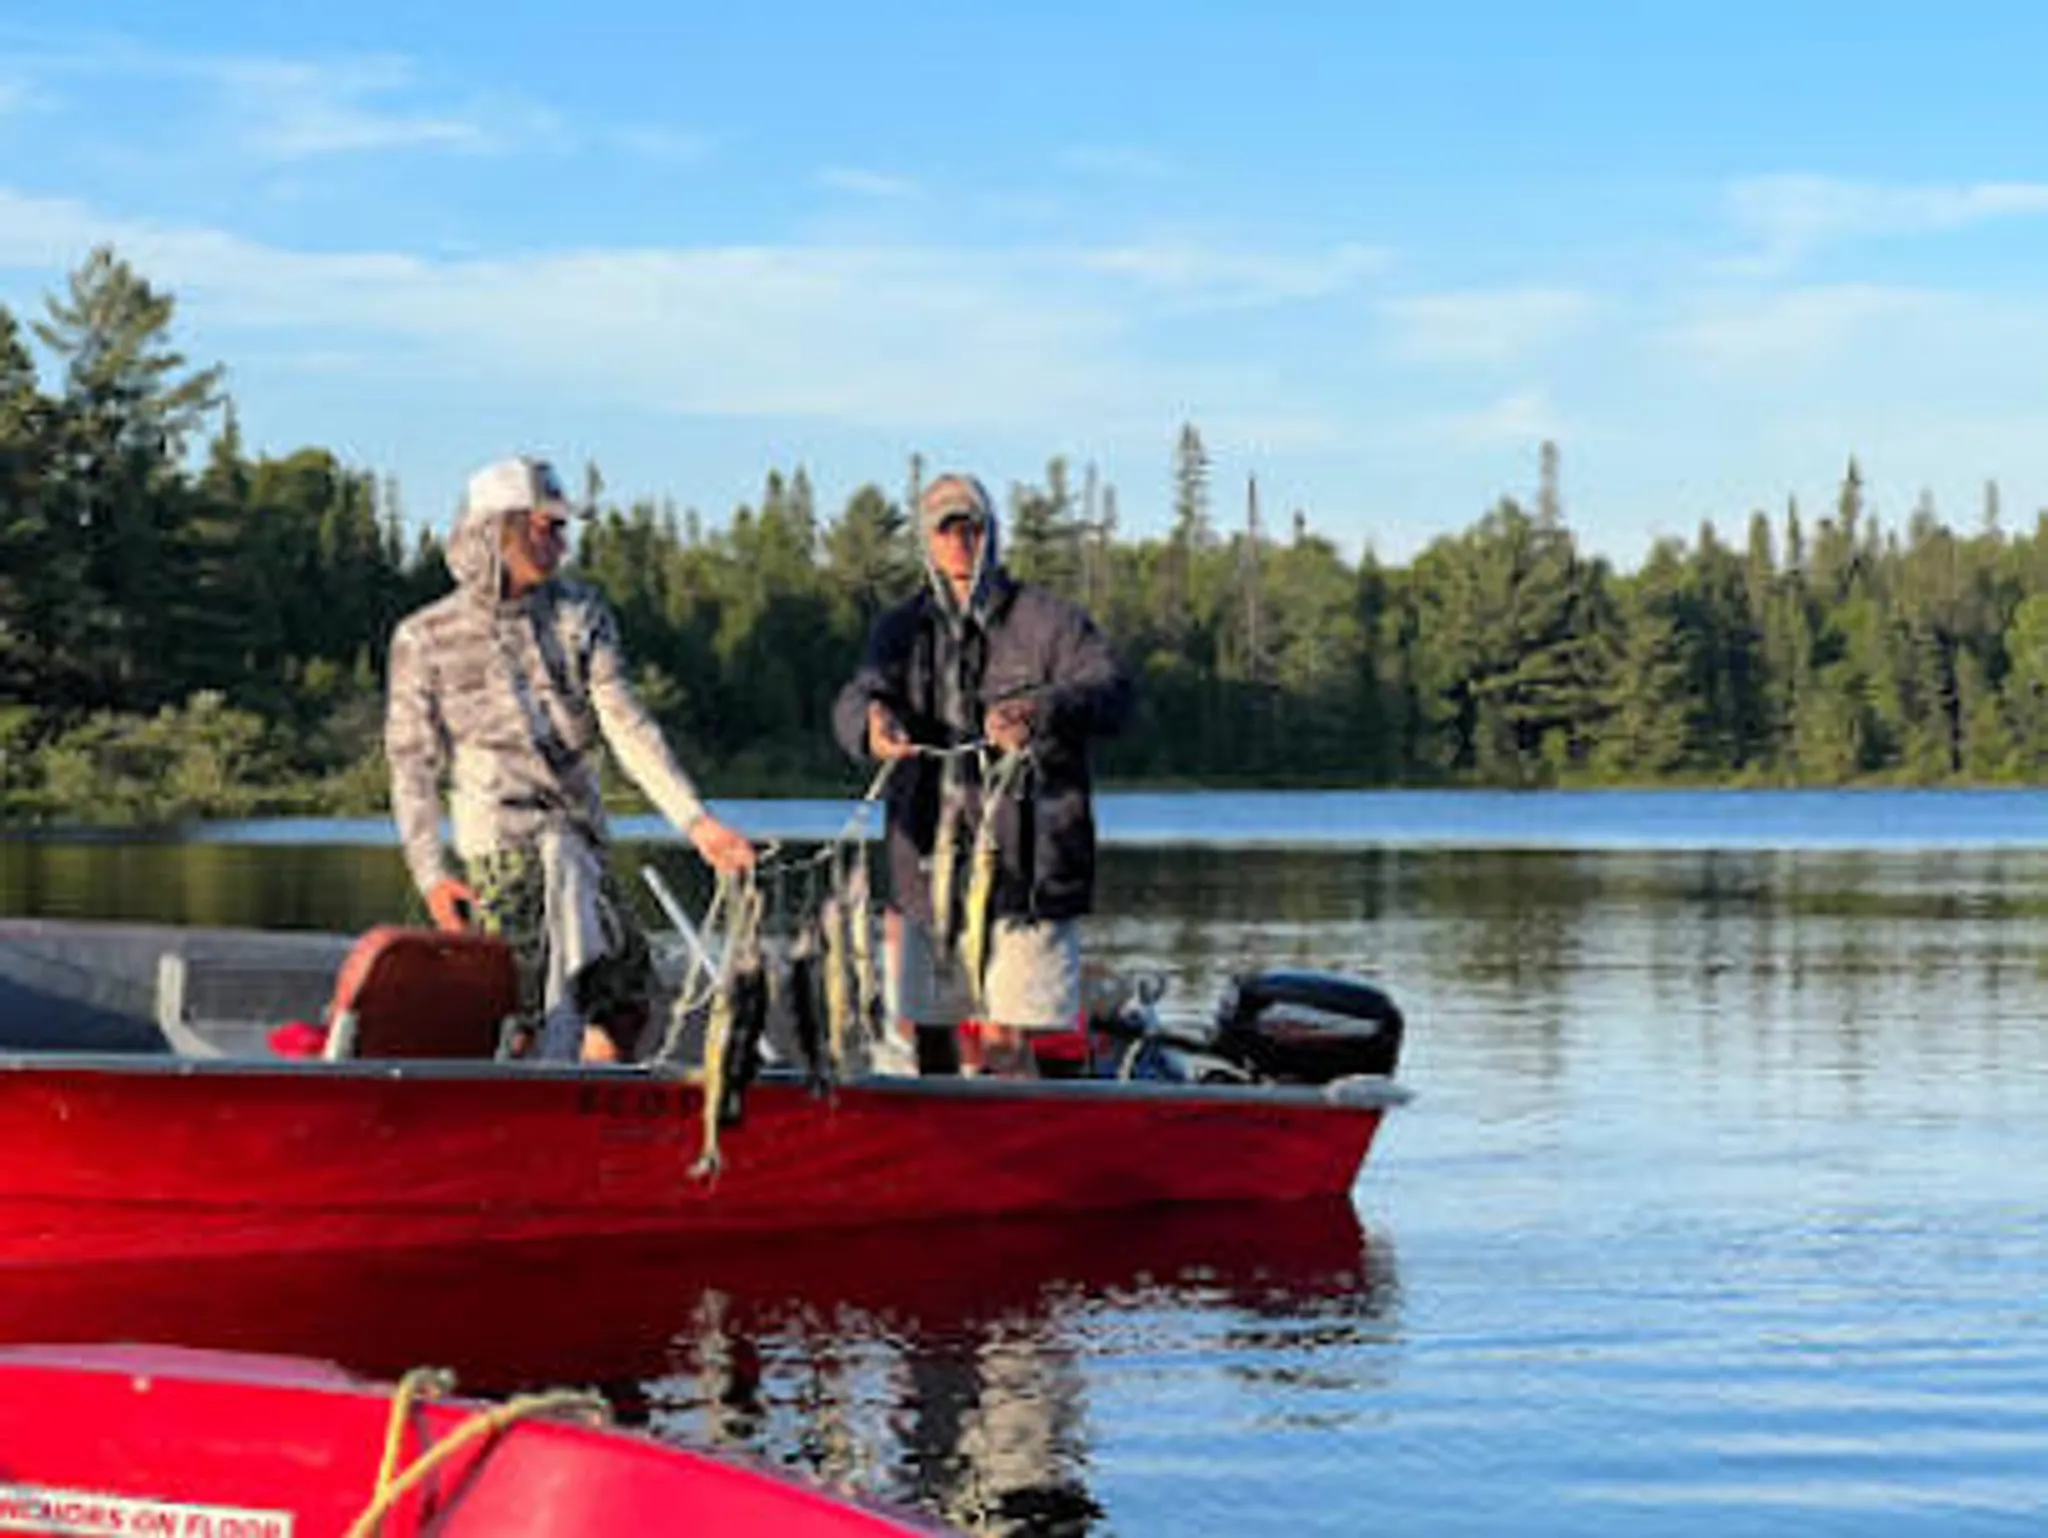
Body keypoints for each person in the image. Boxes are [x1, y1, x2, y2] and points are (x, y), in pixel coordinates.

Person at [385, 454, 754, 1063]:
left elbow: (626, 723)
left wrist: (696, 822)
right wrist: (431, 873)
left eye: (563, 527)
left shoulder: (581, 614)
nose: (562, 540)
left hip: (580, 838)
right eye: (546, 526)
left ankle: (598, 1113)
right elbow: (412, 767)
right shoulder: (423, 637)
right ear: (497, 531)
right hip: (497, 849)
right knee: (524, 1010)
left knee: (627, 998)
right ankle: (527, 1113)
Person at [832, 471, 1133, 1076]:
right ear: (927, 540)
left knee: (1006, 1038)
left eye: (970, 528)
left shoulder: (1050, 621)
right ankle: (943, 1158)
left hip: (1028, 875)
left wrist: (1041, 711)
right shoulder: (899, 629)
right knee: (932, 1036)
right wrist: (871, 723)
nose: (958, 543)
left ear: (991, 535)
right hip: (927, 876)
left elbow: (1114, 692)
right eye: (945, 530)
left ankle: (1025, 1154)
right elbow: (861, 691)